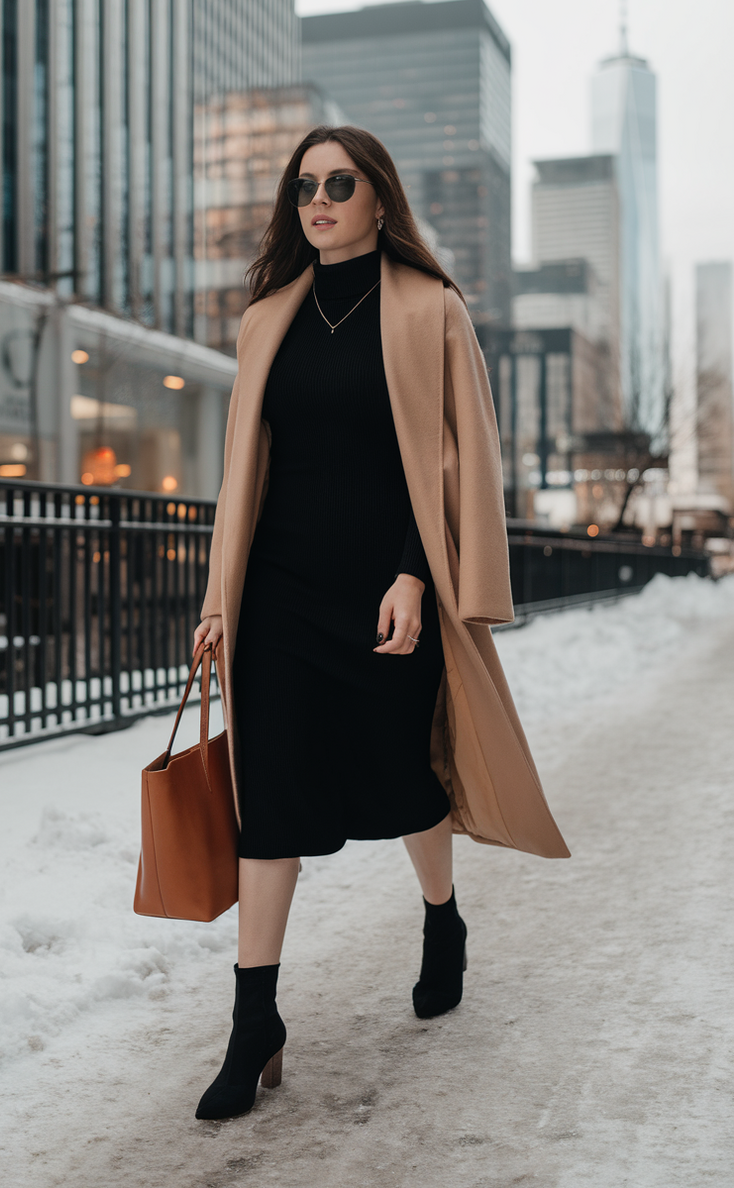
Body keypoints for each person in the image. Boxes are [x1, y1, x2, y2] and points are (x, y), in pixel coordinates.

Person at [191, 125, 568, 1121]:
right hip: (276, 589)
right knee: (266, 806)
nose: (317, 199)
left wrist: (410, 572)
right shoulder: (266, 316)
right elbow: (242, 472)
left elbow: (451, 457)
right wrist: (219, 600)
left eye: (338, 183)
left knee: (404, 782)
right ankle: (253, 1021)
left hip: (383, 590)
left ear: (378, 200)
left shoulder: (428, 309)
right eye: (304, 185)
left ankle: (440, 918)